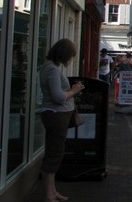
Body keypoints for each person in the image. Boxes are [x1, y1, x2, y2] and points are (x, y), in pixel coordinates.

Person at [39, 38, 85, 202]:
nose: (70, 60)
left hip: (57, 115)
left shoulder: (50, 67)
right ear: (63, 54)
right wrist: (74, 90)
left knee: (54, 153)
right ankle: (49, 194)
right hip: (56, 115)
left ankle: (52, 191)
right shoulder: (51, 70)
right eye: (70, 56)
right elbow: (58, 97)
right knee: (55, 154)